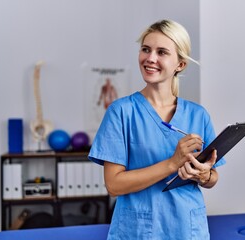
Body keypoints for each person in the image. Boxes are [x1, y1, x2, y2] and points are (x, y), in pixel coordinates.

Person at [88, 19, 225, 240]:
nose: (150, 58)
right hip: (137, 230)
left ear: (180, 64)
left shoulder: (198, 114)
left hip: (188, 229)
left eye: (162, 52)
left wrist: (204, 174)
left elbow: (213, 177)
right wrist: (172, 163)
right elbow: (113, 185)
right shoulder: (121, 112)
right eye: (146, 49)